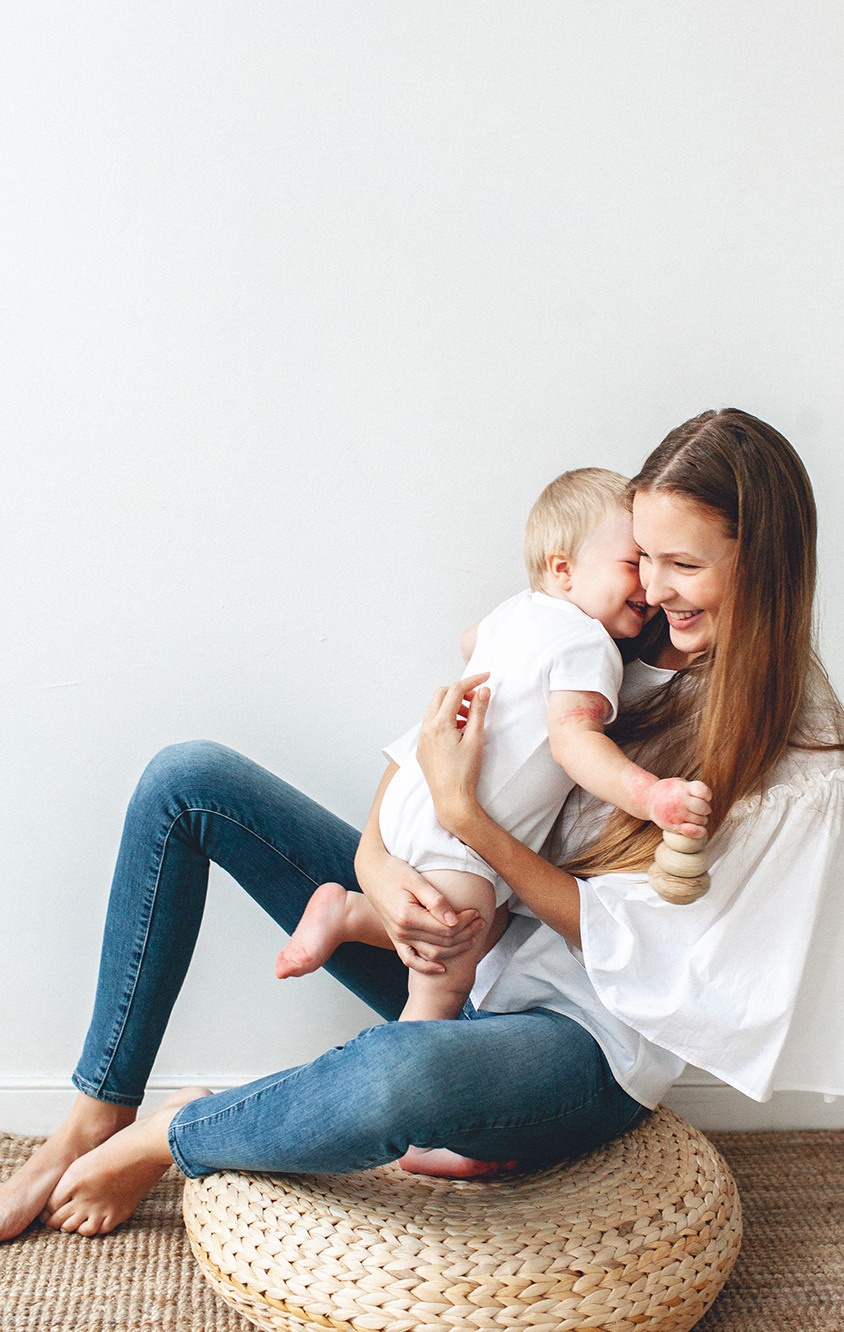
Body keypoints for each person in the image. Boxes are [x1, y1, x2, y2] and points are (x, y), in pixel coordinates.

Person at [2, 407, 843, 1242]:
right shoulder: (609, 625)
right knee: (187, 782)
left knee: (396, 1075)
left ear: (762, 563)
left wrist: (467, 822)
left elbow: (659, 962)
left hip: (578, 1045)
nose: (653, 589)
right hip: (462, 943)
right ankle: (98, 1111)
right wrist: (377, 867)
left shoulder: (798, 745)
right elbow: (437, 745)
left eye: (683, 565)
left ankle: (173, 1133)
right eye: (645, 556)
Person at [275, 467, 710, 1024]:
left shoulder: (517, 611)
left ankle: (351, 913)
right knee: (445, 979)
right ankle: (411, 1061)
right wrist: (650, 797)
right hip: (461, 843)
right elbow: (575, 743)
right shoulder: (587, 644)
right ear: (563, 568)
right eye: (633, 564)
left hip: (415, 793)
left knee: (484, 926)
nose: (649, 588)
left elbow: (469, 642)